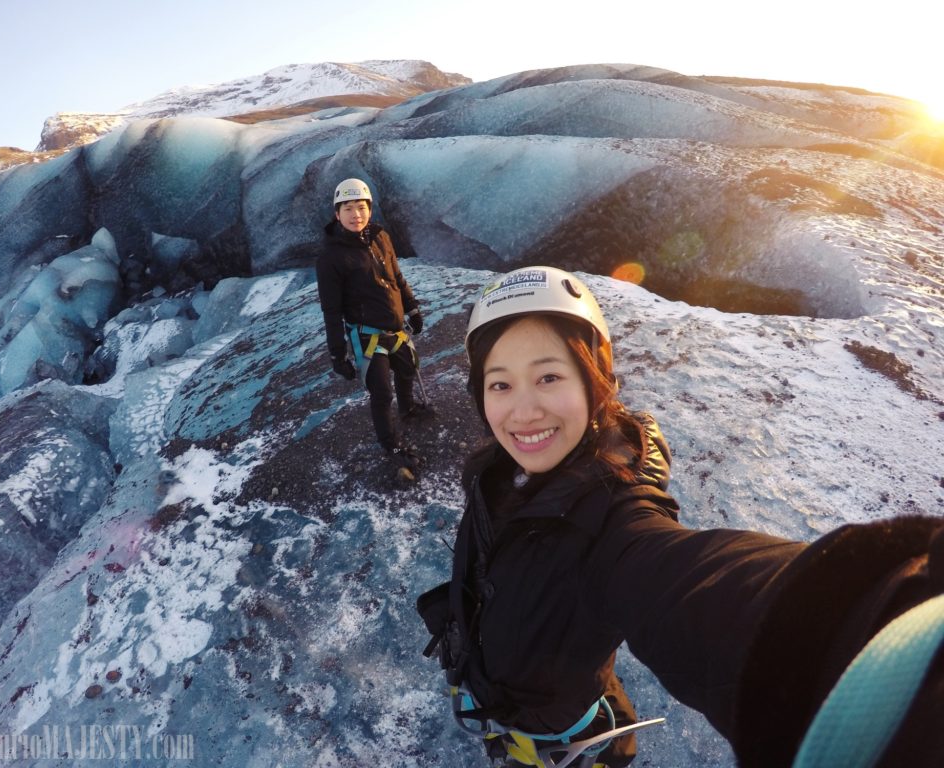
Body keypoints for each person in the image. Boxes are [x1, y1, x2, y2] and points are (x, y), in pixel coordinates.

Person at [418, 265, 944, 768]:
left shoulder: (613, 529)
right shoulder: (496, 472)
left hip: (558, 740)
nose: (523, 411)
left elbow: (711, 592)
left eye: (550, 376)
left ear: (594, 379)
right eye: (500, 384)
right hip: (502, 693)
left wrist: (891, 634)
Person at [315, 178, 431, 469]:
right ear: (337, 213)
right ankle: (391, 446)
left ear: (369, 209)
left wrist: (412, 307)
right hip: (367, 337)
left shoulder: (381, 237)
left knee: (408, 369)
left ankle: (407, 409)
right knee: (382, 392)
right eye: (349, 208)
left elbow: (397, 277)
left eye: (361, 207)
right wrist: (337, 354)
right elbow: (331, 310)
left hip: (394, 328)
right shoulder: (331, 257)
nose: (356, 215)